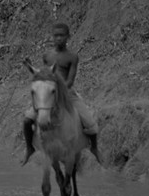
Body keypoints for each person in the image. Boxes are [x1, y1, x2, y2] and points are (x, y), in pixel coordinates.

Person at [22, 23, 102, 165]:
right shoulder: (47, 56)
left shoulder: (72, 57)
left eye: (62, 35)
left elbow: (70, 80)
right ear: (52, 37)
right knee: (27, 119)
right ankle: (29, 148)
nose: (58, 38)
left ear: (67, 37)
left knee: (90, 123)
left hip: (67, 94)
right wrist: (29, 67)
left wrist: (59, 90)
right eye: (56, 36)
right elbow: (44, 76)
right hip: (49, 95)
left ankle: (94, 148)